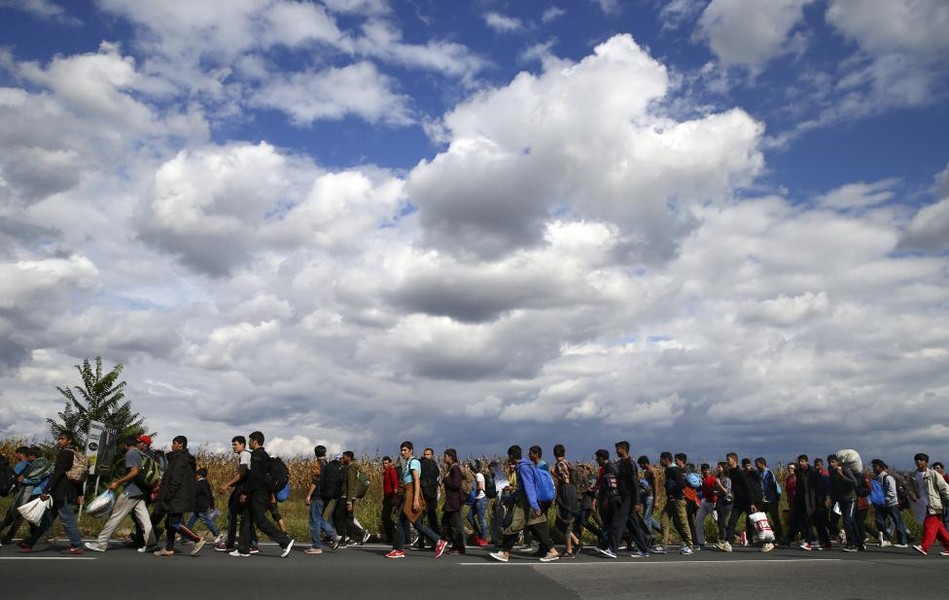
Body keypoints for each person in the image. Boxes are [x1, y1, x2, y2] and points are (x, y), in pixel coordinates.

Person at [85, 437, 157, 552]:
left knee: (115, 516)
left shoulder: (131, 453)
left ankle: (101, 544)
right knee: (144, 519)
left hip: (131, 491)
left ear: (125, 445)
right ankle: (151, 543)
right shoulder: (143, 455)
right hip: (141, 492)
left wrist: (118, 482)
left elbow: (134, 472)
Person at [489, 445, 559, 563]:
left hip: (527, 503)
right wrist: (510, 498)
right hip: (528, 501)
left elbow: (529, 487)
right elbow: (522, 488)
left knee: (515, 525)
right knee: (538, 527)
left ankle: (505, 552)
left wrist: (534, 505)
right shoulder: (525, 465)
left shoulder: (523, 467)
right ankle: (552, 551)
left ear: (511, 456)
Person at [18, 432, 84, 554]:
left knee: (67, 518)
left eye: (62, 439)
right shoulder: (75, 453)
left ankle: (77, 545)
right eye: (59, 438)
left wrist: (46, 490)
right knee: (47, 519)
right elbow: (80, 477)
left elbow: (57, 474)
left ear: (69, 441)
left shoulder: (65, 453)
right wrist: (80, 493)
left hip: (61, 492)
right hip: (63, 491)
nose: (59, 441)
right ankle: (30, 542)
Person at [232, 431, 294, 558]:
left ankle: (285, 541)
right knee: (246, 519)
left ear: (255, 441)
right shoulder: (264, 455)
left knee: (260, 521)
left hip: (257, 494)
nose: (248, 443)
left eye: (249, 440)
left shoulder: (256, 455)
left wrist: (244, 492)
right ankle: (243, 549)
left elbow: (254, 477)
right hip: (261, 493)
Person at [385, 441, 442, 559]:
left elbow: (416, 480)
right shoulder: (407, 463)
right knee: (416, 523)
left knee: (400, 522)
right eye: (401, 450)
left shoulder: (414, 462)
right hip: (408, 492)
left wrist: (416, 499)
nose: (402, 452)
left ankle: (398, 549)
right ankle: (438, 541)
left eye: (405, 450)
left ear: (411, 450)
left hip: (411, 492)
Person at [154, 435, 209, 557]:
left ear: (180, 445)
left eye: (174, 443)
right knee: (170, 523)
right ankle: (168, 548)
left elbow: (175, 480)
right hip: (181, 496)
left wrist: (168, 495)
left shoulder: (179, 460)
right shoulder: (185, 459)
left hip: (177, 497)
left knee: (174, 523)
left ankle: (197, 539)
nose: (172, 446)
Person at [214, 436, 254, 553]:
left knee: (232, 514)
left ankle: (230, 543)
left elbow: (242, 474)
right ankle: (252, 544)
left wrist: (226, 485)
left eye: (235, 444)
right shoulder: (246, 454)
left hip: (243, 490)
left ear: (242, 445)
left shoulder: (244, 455)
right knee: (247, 517)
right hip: (245, 489)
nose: (233, 447)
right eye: (232, 445)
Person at [909, 453, 949, 556]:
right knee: (939, 529)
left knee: (929, 524)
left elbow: (944, 487)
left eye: (921, 460)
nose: (919, 462)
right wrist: (912, 494)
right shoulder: (914, 475)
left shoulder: (933, 474)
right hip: (922, 504)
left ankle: (924, 547)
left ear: (926, 462)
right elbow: (911, 488)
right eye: (917, 460)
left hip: (933, 504)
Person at [304, 445, 341, 555]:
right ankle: (334, 536)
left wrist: (308, 495)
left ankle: (316, 546)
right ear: (325, 453)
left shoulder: (317, 464)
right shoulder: (327, 463)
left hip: (318, 495)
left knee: (314, 521)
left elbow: (315, 480)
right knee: (318, 518)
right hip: (327, 496)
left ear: (315, 453)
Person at [659, 451, 694, 555]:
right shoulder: (668, 470)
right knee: (664, 520)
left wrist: (673, 492)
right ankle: (663, 545)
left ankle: (689, 546)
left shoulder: (674, 470)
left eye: (661, 459)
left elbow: (682, 485)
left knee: (683, 522)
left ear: (666, 460)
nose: (660, 461)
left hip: (679, 500)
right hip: (671, 500)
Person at [827, 454, 862, 552]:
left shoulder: (845, 469)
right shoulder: (832, 472)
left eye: (833, 462)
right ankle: (859, 543)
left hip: (850, 498)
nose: (831, 464)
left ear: (838, 462)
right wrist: (831, 498)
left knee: (848, 520)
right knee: (851, 522)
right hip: (841, 499)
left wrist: (842, 475)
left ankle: (851, 543)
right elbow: (833, 486)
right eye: (830, 462)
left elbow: (854, 482)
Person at [870, 459, 908, 548]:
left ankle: (903, 542)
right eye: (873, 467)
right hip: (881, 504)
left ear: (881, 467)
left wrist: (885, 500)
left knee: (897, 522)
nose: (874, 468)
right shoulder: (875, 478)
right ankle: (886, 539)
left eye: (875, 466)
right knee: (879, 521)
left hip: (891, 504)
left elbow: (892, 491)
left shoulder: (887, 478)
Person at [0, 446, 32, 543]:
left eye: (17, 454)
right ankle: (8, 537)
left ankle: (7, 537)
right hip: (29, 493)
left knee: (11, 516)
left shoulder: (20, 465)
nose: (16, 456)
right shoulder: (31, 465)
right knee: (19, 517)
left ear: (21, 454)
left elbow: (13, 478)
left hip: (20, 493)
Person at [339, 451, 370, 546]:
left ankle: (360, 533)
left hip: (347, 496)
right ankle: (356, 536)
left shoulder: (351, 468)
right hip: (348, 496)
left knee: (341, 518)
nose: (342, 459)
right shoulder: (349, 468)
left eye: (344, 457)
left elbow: (351, 485)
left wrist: (349, 501)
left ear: (349, 458)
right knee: (347, 518)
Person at [438, 449, 466, 555]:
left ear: (450, 457)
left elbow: (456, 485)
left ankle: (460, 547)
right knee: (446, 523)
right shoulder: (451, 468)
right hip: (451, 501)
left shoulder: (455, 468)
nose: (443, 458)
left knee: (456, 525)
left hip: (455, 501)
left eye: (445, 456)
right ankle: (454, 545)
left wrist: (446, 480)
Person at [415, 447, 440, 551]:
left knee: (427, 519)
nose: (426, 456)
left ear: (432, 455)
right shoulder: (426, 465)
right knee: (424, 519)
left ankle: (434, 541)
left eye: (428, 454)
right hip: (427, 495)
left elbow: (438, 482)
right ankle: (425, 541)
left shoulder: (432, 465)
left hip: (430, 496)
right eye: (425, 454)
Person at [185, 468, 219, 539]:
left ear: (199, 475)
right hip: (199, 507)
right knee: (190, 521)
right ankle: (185, 536)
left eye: (196, 475)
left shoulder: (200, 483)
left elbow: (194, 493)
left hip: (200, 506)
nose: (196, 476)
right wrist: (212, 505)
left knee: (206, 520)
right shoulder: (206, 483)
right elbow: (210, 495)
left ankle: (217, 533)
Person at [756, 457, 783, 543]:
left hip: (771, 500)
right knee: (761, 518)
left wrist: (767, 496)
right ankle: (769, 533)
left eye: (757, 464)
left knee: (775, 518)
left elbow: (771, 486)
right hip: (764, 500)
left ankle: (779, 537)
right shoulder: (759, 473)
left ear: (762, 464)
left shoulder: (768, 473)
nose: (756, 466)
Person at [466, 459, 489, 547]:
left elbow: (480, 487)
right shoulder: (476, 475)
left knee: (481, 519)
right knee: (469, 516)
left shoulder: (479, 475)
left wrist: (471, 490)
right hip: (477, 499)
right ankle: (479, 533)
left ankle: (484, 538)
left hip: (481, 499)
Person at [695, 463, 717, 549]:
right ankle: (700, 541)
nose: (705, 471)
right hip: (705, 502)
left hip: (713, 502)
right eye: (703, 470)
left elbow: (715, 490)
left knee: (718, 520)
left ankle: (734, 535)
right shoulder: (702, 480)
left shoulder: (712, 479)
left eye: (706, 470)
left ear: (709, 470)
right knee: (699, 519)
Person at [714, 462, 733, 551]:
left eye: (720, 467)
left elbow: (727, 492)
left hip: (726, 502)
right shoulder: (719, 477)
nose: (718, 468)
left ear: (724, 468)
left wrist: (719, 484)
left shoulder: (727, 479)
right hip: (719, 500)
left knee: (721, 521)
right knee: (720, 521)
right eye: (718, 467)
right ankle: (726, 538)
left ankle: (723, 539)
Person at [380, 455, 399, 545]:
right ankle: (390, 536)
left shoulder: (392, 471)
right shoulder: (386, 472)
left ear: (390, 463)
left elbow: (395, 484)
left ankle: (393, 533)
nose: (385, 465)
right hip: (387, 496)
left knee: (385, 516)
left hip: (391, 496)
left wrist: (394, 498)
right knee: (385, 517)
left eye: (386, 463)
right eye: (383, 463)